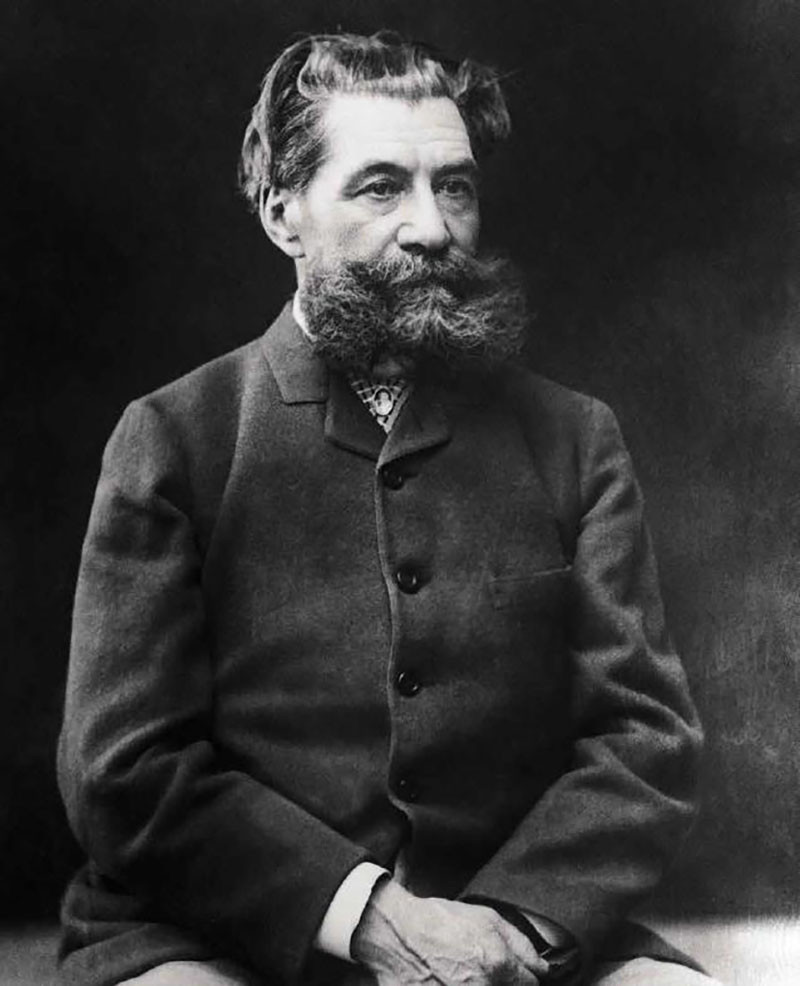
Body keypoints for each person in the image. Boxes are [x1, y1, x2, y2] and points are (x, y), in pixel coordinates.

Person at [57, 32, 717, 986]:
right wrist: (370, 919)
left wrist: (511, 927)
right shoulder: (174, 438)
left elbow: (646, 740)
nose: (432, 228)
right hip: (220, 934)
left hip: (514, 929)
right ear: (283, 214)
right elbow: (123, 768)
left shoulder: (574, 438)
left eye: (455, 187)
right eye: (380, 188)